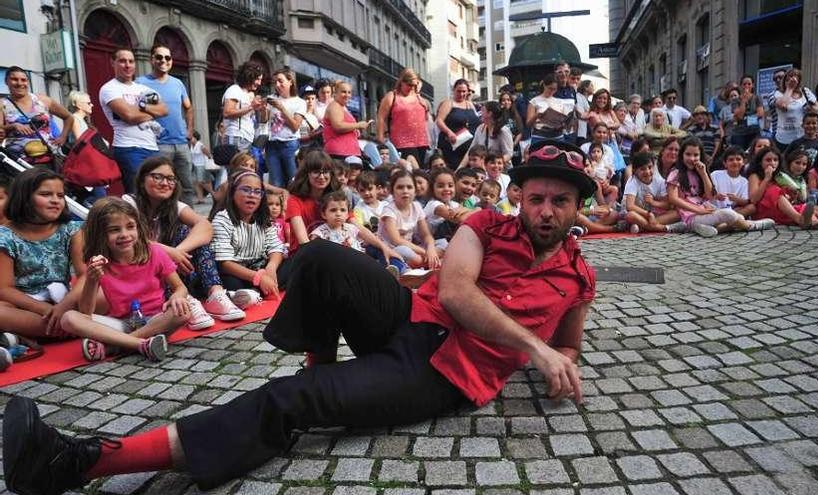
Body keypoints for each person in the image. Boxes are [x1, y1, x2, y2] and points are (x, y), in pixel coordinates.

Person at [3, 140, 599, 495]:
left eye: (560, 200)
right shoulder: (485, 226)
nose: (545, 210)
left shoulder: (579, 276)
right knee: (318, 255)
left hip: (446, 375)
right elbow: (459, 292)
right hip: (411, 319)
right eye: (535, 197)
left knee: (291, 401)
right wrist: (535, 346)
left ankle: (80, 463)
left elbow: (567, 347)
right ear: (518, 196)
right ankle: (322, 362)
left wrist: (552, 360)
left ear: (577, 206)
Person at [61, 197, 190, 361]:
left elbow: (180, 287)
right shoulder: (99, 261)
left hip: (156, 320)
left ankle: (116, 346)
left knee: (184, 312)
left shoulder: (155, 252)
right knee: (69, 318)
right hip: (121, 323)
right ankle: (140, 344)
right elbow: (86, 312)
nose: (125, 235)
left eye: (130, 227)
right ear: (100, 234)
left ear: (138, 227)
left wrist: (177, 297)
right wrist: (92, 280)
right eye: (114, 230)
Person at [125, 156, 244, 323]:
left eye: (170, 179)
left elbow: (206, 227)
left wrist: (179, 251)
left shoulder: (174, 205)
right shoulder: (129, 203)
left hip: (174, 267)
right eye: (157, 177)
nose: (165, 183)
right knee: (182, 235)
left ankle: (215, 293)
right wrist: (169, 252)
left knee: (188, 233)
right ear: (142, 180)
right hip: (141, 269)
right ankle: (186, 299)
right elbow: (130, 242)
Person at [0, 168, 85, 341]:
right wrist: (44, 309)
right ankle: (77, 327)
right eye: (46, 194)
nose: (55, 201)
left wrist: (64, 305)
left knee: (103, 293)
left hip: (65, 300)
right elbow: (5, 289)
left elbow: (83, 274)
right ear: (24, 198)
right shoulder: (5, 236)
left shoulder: (71, 229)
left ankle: (41, 331)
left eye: (60, 196)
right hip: (27, 304)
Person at [98, 49, 168, 193]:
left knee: (158, 192)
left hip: (152, 147)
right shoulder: (109, 88)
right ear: (113, 63)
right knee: (137, 194)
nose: (127, 65)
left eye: (131, 61)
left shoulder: (143, 88)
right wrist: (152, 113)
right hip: (129, 148)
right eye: (122, 61)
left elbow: (164, 110)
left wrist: (141, 108)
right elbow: (129, 116)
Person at [211, 169, 289, 298]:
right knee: (231, 282)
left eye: (257, 192)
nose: (252, 195)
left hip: (261, 267)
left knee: (294, 263)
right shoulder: (222, 219)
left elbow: (276, 247)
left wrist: (271, 268)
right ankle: (258, 290)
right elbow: (224, 263)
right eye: (246, 189)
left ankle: (256, 292)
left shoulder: (264, 218)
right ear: (233, 193)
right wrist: (258, 277)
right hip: (237, 272)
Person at [136, 44, 197, 206]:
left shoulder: (178, 83)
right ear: (152, 59)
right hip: (158, 144)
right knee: (161, 188)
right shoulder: (140, 83)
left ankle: (188, 224)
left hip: (181, 143)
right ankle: (165, 222)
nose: (164, 61)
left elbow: (189, 108)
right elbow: (135, 109)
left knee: (186, 186)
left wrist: (189, 131)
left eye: (167, 57)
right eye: (159, 57)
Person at [666, 137, 753, 237]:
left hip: (705, 210)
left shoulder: (699, 172)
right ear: (682, 155)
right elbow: (673, 199)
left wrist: (703, 174)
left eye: (696, 155)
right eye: (688, 154)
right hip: (690, 215)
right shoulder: (676, 173)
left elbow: (710, 196)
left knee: (739, 217)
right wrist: (698, 210)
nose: (692, 158)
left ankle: (703, 227)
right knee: (729, 215)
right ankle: (753, 226)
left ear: (700, 156)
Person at [748, 147, 818, 229]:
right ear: (760, 162)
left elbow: (783, 201)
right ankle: (801, 220)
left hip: (781, 211)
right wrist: (766, 179)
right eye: (768, 160)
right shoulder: (755, 176)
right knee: (773, 190)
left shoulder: (779, 177)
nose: (772, 163)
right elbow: (754, 200)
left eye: (775, 160)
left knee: (809, 208)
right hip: (764, 212)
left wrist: (791, 196)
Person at [1, 66, 74, 165]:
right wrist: (14, 126)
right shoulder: (2, 104)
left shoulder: (42, 100)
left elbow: (68, 117)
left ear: (28, 82)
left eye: (23, 80)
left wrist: (63, 137)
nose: (19, 83)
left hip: (50, 159)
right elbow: (1, 129)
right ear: (6, 82)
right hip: (20, 163)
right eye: (14, 79)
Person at [378, 169, 442, 269]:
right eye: (400, 187)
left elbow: (426, 234)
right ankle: (431, 262)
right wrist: (424, 252)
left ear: (415, 191)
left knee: (443, 243)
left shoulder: (416, 206)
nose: (405, 191)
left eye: (409, 187)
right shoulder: (389, 211)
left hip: (413, 247)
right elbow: (396, 240)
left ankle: (427, 262)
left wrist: (431, 249)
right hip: (393, 249)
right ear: (392, 191)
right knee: (403, 251)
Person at [377, 68, 431, 167]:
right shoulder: (392, 96)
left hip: (421, 142)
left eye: (414, 85)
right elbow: (381, 117)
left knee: (420, 173)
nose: (411, 88)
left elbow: (426, 119)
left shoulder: (419, 98)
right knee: (410, 170)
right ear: (402, 82)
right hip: (401, 142)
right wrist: (380, 138)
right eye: (409, 85)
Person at [622, 152, 683, 233]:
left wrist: (653, 202)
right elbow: (630, 206)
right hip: (639, 214)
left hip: (653, 215)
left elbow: (668, 205)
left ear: (654, 167)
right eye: (642, 169)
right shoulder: (632, 181)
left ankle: (642, 227)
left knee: (676, 213)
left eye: (650, 167)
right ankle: (663, 228)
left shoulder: (660, 181)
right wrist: (647, 214)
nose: (647, 172)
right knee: (630, 215)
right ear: (635, 170)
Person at [221, 62, 267, 152]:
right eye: (257, 79)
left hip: (247, 138)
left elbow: (260, 121)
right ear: (249, 77)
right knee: (236, 165)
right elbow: (227, 113)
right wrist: (251, 107)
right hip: (236, 137)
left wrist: (262, 110)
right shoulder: (234, 90)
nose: (259, 83)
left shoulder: (247, 94)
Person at [435, 79, 481, 169]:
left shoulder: (470, 104)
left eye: (464, 91)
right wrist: (449, 132)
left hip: (469, 148)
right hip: (452, 146)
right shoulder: (448, 103)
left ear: (467, 92)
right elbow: (439, 121)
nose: (461, 94)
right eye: (458, 91)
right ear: (454, 91)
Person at [323, 81, 372, 160]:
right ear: (335, 93)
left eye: (349, 92)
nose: (347, 95)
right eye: (343, 92)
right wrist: (358, 125)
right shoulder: (335, 106)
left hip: (348, 153)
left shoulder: (341, 107)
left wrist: (355, 130)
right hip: (340, 153)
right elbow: (338, 126)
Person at [772, 68, 818, 149]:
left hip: (801, 135)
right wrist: (790, 88)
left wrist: (810, 108)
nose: (792, 79)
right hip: (784, 138)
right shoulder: (778, 93)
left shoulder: (805, 91)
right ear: (785, 79)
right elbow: (783, 105)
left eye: (796, 76)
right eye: (790, 76)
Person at [462, 101, 513, 167]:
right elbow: (471, 150)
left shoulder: (503, 131)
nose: (480, 113)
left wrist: (493, 164)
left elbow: (508, 154)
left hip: (501, 169)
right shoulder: (480, 129)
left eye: (483, 110)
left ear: (489, 113)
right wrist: (460, 168)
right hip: (484, 169)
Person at [526, 74, 572, 147]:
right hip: (540, 136)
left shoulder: (559, 102)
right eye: (550, 88)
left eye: (554, 89)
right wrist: (536, 115)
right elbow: (528, 124)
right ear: (544, 85)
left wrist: (564, 123)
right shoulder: (534, 101)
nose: (552, 91)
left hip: (557, 136)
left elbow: (564, 122)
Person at [710, 146, 757, 219]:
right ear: (725, 163)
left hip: (731, 211)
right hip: (714, 209)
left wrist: (736, 199)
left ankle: (725, 224)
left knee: (751, 208)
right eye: (731, 160)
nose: (735, 162)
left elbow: (745, 201)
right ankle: (726, 223)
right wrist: (716, 195)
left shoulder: (744, 181)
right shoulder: (716, 174)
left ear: (744, 162)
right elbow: (707, 192)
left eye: (738, 159)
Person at [726, 76, 765, 149]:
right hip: (739, 132)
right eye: (744, 84)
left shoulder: (757, 98)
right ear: (741, 86)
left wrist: (746, 118)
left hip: (754, 131)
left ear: (752, 85)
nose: (746, 86)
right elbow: (740, 116)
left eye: (749, 84)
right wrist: (743, 101)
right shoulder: (736, 100)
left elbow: (760, 113)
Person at [189, 131, 214, 204]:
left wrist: (209, 159)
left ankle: (213, 193)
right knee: (196, 183)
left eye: (192, 137)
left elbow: (208, 153)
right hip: (195, 165)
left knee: (202, 181)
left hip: (202, 165)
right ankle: (200, 199)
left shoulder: (200, 145)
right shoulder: (190, 145)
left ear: (195, 137)